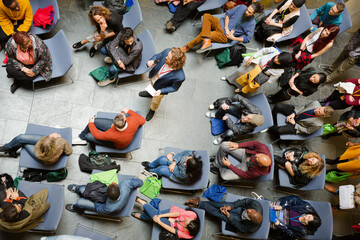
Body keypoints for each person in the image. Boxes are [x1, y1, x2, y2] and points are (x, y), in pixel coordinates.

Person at [181, 2, 264, 53]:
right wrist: (226, 27)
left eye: (249, 12)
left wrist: (233, 38)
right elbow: (228, 14)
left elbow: (248, 39)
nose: (246, 11)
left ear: (254, 14)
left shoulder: (251, 24)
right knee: (206, 16)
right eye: (247, 9)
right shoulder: (242, 7)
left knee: (203, 35)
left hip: (225, 35)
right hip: (221, 23)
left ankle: (187, 47)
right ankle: (207, 40)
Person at [138, 47, 186, 121]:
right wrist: (152, 61)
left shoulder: (180, 76)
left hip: (160, 88)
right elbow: (157, 56)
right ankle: (150, 93)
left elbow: (174, 88)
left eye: (168, 58)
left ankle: (152, 110)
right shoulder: (168, 51)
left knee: (155, 101)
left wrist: (161, 91)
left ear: (174, 63)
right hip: (153, 78)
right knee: (151, 86)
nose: (166, 56)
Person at [72, 108, 145, 149]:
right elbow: (143, 121)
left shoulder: (112, 134)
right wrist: (129, 111)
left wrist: (91, 123)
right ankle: (81, 137)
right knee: (94, 122)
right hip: (124, 134)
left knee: (88, 135)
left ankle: (83, 138)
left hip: (116, 144)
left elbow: (97, 135)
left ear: (113, 123)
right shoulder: (134, 120)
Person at [132, 197, 200, 239]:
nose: (187, 219)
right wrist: (161, 216)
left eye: (186, 222)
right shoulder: (193, 215)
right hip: (174, 213)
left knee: (155, 218)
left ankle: (143, 204)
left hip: (173, 225)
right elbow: (177, 213)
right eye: (188, 220)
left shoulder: (188, 235)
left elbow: (172, 230)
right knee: (157, 215)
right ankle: (143, 205)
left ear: (187, 228)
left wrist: (159, 221)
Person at [65, 178, 143, 215]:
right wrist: (140, 182)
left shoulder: (109, 208)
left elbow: (99, 208)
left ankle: (75, 208)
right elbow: (140, 183)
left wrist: (93, 200)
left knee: (80, 202)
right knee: (82, 190)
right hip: (117, 199)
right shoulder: (126, 184)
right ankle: (78, 189)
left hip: (102, 204)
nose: (112, 182)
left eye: (112, 184)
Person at [185, 197, 263, 233]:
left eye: (249, 213)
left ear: (250, 220)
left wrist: (229, 216)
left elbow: (239, 226)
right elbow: (243, 202)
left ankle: (199, 203)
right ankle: (199, 204)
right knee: (222, 205)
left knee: (220, 214)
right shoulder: (256, 205)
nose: (249, 210)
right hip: (241, 208)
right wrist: (230, 207)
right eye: (252, 210)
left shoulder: (251, 228)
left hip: (239, 220)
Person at [0, 132, 72, 165]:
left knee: (22, 140)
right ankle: (11, 151)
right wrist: (60, 152)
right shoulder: (61, 142)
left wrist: (51, 135)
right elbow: (69, 152)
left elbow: (39, 144)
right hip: (50, 154)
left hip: (45, 160)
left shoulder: (39, 153)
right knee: (21, 139)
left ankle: (8, 148)